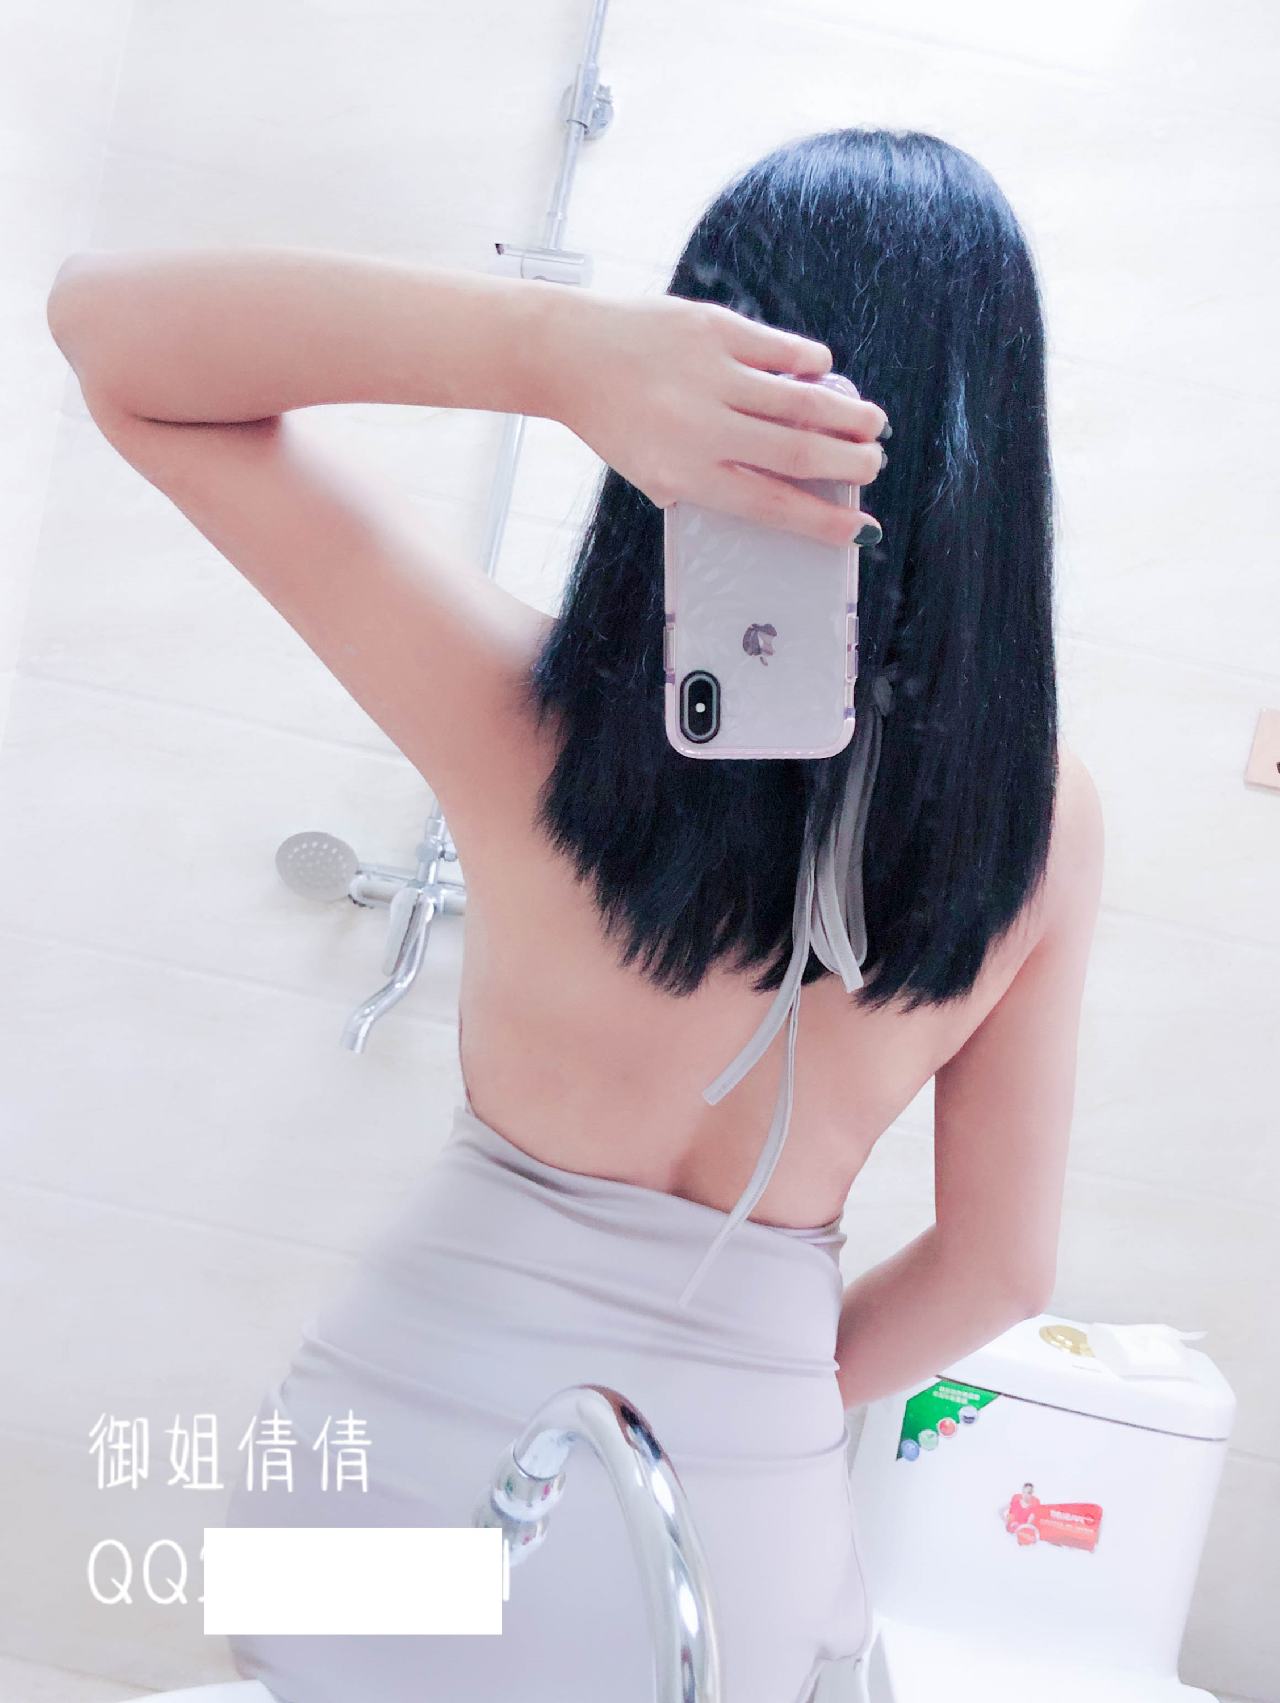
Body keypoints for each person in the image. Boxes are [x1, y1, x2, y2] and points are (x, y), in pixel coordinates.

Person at [47, 125, 1103, 1703]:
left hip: (399, 1448)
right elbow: (1000, 1272)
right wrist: (736, 1405)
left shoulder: (517, 713)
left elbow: (107, 332)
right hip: (728, 1530)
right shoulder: (1045, 827)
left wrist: (555, 355)